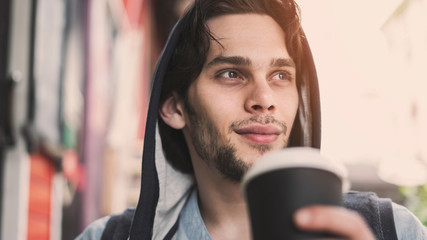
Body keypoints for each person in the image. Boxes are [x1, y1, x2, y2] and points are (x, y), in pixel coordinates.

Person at [77, 0, 427, 239]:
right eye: (231, 74)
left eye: (280, 76)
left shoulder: (390, 230)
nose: (264, 100)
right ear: (174, 107)